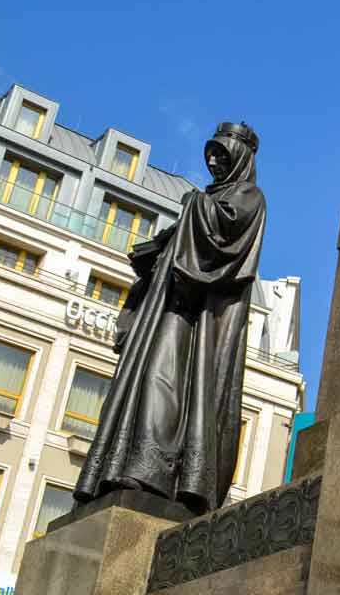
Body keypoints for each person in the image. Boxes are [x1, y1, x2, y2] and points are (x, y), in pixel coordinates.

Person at [75, 122, 266, 515]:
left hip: (195, 315)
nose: (213, 160)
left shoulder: (250, 197)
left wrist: (193, 210)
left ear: (240, 156)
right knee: (146, 379)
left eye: (221, 153)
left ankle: (154, 471)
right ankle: (128, 466)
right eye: (210, 153)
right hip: (168, 305)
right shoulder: (212, 198)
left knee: (165, 378)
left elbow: (224, 242)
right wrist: (159, 249)